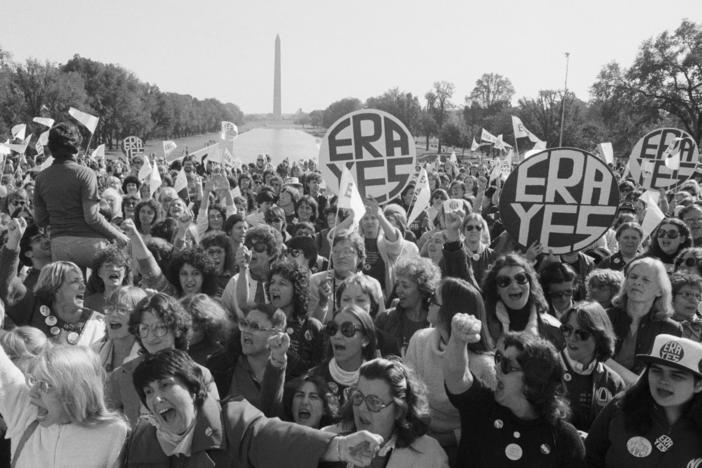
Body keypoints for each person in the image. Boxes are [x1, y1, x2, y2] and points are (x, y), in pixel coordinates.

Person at [124, 348, 385, 467]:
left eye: (165, 386)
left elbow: (275, 437)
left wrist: (337, 447)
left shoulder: (232, 421)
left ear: (193, 390)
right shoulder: (142, 439)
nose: (156, 399)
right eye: (148, 392)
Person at [443, 319, 585, 467]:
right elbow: (456, 376)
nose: (496, 368)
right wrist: (458, 339)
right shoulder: (482, 407)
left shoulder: (564, 439)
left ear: (533, 383)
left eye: (506, 365)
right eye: (498, 358)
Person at [406, 277, 496, 462]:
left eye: (434, 299)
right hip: (420, 435)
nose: (427, 302)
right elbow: (409, 395)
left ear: (450, 311)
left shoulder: (484, 366)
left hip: (464, 445)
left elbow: (488, 422)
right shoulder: (419, 340)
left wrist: (446, 439)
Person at [0, 344, 129, 467]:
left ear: (76, 392)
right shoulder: (25, 413)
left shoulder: (113, 432)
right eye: (33, 381)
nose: (32, 392)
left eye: (44, 386)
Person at [584, 334, 702, 467]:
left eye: (676, 375)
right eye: (657, 371)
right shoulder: (621, 407)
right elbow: (589, 457)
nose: (663, 380)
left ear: (699, 385)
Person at [106, 292, 219, 425]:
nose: (151, 336)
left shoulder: (199, 373)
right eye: (144, 328)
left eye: (160, 328)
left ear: (176, 329)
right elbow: (105, 424)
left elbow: (213, 423)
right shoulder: (122, 375)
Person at [323, 357, 449, 468]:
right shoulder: (327, 439)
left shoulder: (428, 453)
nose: (361, 408)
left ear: (398, 411)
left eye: (374, 402)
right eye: (358, 397)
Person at [33, 122, 129, 268]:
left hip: (59, 245)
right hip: (91, 245)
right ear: (76, 147)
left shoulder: (41, 178)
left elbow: (40, 220)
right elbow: (92, 217)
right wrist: (118, 235)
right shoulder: (85, 173)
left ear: (51, 147)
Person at [607, 257, 682, 382]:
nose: (637, 282)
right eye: (633, 277)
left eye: (646, 280)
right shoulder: (604, 317)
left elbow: (663, 375)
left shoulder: (671, 329)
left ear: (659, 291)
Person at [207, 303, 287, 414]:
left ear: (276, 334)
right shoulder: (220, 365)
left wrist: (278, 360)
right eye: (245, 324)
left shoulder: (292, 371)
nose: (246, 331)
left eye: (255, 326)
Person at [558, 302, 625, 432]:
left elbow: (615, 431)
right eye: (567, 329)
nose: (572, 338)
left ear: (600, 338)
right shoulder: (545, 369)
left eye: (581, 334)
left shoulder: (613, 382)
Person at [310, 305, 379, 420]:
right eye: (333, 328)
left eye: (347, 330)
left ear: (365, 339)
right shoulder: (314, 377)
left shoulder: (378, 380)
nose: (337, 336)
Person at [482, 254, 564, 349]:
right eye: (504, 281)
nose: (514, 286)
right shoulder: (484, 328)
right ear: (496, 289)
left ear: (530, 283)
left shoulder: (553, 328)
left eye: (521, 278)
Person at [267, 260, 324, 378]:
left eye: (282, 283)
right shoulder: (262, 321)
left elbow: (316, 370)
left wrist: (284, 351)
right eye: (272, 282)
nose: (274, 288)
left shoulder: (311, 327)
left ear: (297, 289)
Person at [375, 256, 441, 357]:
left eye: (405, 286)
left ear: (422, 289)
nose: (398, 290)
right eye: (397, 285)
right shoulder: (385, 320)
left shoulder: (436, 322)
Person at [92, 285, 146, 372]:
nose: (113, 314)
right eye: (109, 309)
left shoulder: (148, 356)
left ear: (138, 316)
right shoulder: (93, 352)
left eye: (122, 310)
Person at [180, 293, 232, 365]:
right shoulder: (175, 350)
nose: (187, 332)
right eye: (182, 325)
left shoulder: (217, 354)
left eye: (195, 326)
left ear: (206, 325)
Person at [84, 245, 132, 313]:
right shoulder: (89, 303)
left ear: (125, 273)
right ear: (99, 273)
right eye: (108, 266)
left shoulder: (134, 300)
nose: (114, 269)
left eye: (119, 266)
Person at [669, 272, 702, 341]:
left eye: (698, 296)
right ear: (671, 297)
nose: (694, 301)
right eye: (687, 294)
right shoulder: (656, 323)